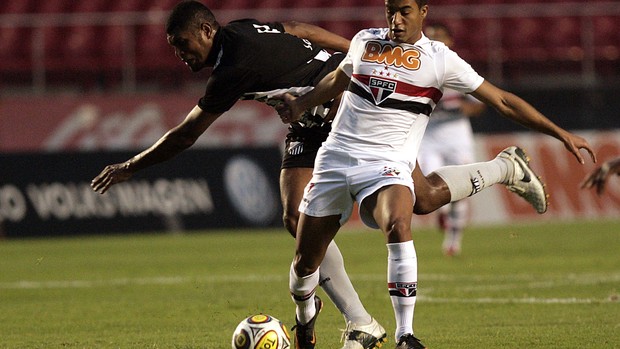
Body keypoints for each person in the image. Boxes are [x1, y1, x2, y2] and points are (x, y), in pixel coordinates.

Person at [276, 0, 596, 348]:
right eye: (390, 11)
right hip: (335, 160)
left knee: (399, 222)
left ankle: (405, 335)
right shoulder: (364, 40)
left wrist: (558, 132)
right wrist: (301, 105)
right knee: (305, 265)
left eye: (405, 11)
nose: (396, 20)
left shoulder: (440, 59)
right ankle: (304, 324)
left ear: (423, 12)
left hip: (388, 163)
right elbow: (338, 79)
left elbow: (501, 100)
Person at [418, 23, 486, 256]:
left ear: (450, 41)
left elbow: (479, 104)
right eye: (431, 37)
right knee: (430, 183)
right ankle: (443, 211)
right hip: (427, 134)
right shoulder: (415, 68)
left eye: (440, 37)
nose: (435, 41)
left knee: (462, 186)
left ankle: (453, 240)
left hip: (456, 135)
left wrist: (455, 109)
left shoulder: (458, 69)